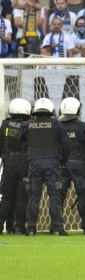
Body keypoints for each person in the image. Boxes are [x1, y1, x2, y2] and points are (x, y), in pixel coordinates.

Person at [18, 98, 70, 236]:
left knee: (34, 196)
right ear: (51, 110)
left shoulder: (27, 124)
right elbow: (66, 144)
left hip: (34, 162)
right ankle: (58, 228)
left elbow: (20, 139)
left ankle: (30, 228)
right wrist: (63, 159)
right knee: (54, 196)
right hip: (52, 162)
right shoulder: (56, 124)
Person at [57, 97, 85, 235]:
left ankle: (56, 226)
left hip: (60, 165)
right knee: (84, 196)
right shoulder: (82, 126)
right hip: (79, 164)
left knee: (58, 196)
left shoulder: (56, 125)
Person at [0, 99, 31, 234]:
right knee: (22, 197)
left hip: (9, 163)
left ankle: (2, 225)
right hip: (25, 163)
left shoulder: (5, 124)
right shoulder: (29, 125)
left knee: (6, 196)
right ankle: (19, 227)